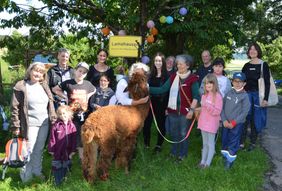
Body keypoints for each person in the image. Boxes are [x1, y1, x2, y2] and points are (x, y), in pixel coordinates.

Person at [10, 62, 57, 182]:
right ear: (30, 71)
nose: (38, 73)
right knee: (28, 150)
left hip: (44, 123)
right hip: (29, 124)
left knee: (39, 149)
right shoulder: (21, 86)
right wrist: (16, 126)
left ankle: (37, 171)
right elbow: (14, 108)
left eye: (41, 72)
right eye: (35, 70)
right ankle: (26, 175)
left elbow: (50, 102)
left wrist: (53, 116)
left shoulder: (44, 85)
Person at [150, 54, 200, 162]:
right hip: (172, 110)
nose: (178, 66)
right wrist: (147, 88)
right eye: (177, 64)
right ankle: (173, 152)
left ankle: (182, 155)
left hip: (185, 112)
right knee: (173, 133)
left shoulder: (192, 78)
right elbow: (162, 89)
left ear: (187, 65)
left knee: (183, 134)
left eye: (181, 64)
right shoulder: (173, 77)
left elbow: (197, 96)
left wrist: (192, 110)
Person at [52, 62, 96, 160]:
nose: (81, 74)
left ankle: (81, 158)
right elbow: (55, 89)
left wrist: (88, 96)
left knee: (82, 137)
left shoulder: (88, 84)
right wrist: (64, 97)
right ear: (75, 71)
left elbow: (94, 90)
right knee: (69, 136)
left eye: (84, 72)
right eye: (80, 71)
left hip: (84, 115)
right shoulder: (68, 83)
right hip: (70, 115)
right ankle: (68, 157)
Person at [240, 42, 270, 151]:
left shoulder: (263, 64)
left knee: (255, 119)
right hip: (246, 95)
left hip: (258, 95)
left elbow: (267, 83)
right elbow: (241, 81)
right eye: (250, 49)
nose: (252, 51)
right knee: (244, 118)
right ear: (248, 52)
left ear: (258, 51)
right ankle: (241, 142)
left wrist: (265, 99)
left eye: (255, 49)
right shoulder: (246, 66)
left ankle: (253, 142)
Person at [221, 72, 250, 169]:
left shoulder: (245, 96)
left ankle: (230, 161)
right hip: (225, 123)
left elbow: (244, 112)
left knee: (233, 142)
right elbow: (222, 107)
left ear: (244, 83)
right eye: (235, 81)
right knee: (225, 140)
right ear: (232, 82)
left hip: (236, 124)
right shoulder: (229, 92)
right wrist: (224, 120)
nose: (237, 83)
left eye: (240, 81)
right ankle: (225, 157)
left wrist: (233, 123)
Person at [143, 52, 169, 152]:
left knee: (160, 124)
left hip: (162, 103)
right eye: (156, 61)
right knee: (147, 124)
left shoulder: (167, 75)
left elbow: (165, 90)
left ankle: (159, 145)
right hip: (149, 103)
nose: (158, 62)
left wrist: (149, 89)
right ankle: (146, 144)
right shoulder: (149, 75)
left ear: (163, 62)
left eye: (160, 61)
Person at [197, 74, 223, 168]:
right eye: (206, 83)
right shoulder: (204, 95)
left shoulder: (218, 96)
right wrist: (197, 109)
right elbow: (203, 109)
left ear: (214, 84)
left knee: (210, 143)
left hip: (212, 124)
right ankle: (202, 161)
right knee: (204, 143)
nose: (208, 85)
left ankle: (207, 164)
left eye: (210, 83)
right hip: (203, 122)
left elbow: (217, 111)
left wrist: (207, 105)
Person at [48, 105, 76, 185]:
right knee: (57, 164)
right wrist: (51, 150)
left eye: (64, 113)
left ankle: (66, 178)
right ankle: (57, 180)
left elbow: (74, 140)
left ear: (69, 113)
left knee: (67, 163)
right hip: (57, 150)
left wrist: (73, 150)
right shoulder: (56, 126)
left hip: (68, 151)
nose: (62, 116)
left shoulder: (72, 126)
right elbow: (52, 138)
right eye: (60, 114)